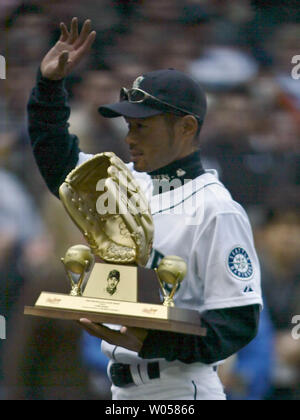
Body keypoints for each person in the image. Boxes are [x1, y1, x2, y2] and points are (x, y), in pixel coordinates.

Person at [27, 18, 263, 400]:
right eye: (128, 124)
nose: (129, 136)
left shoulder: (217, 209)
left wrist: (156, 341)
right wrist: (50, 87)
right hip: (121, 390)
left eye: (143, 126)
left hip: (180, 389)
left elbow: (237, 323)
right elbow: (58, 165)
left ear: (186, 128)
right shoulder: (124, 181)